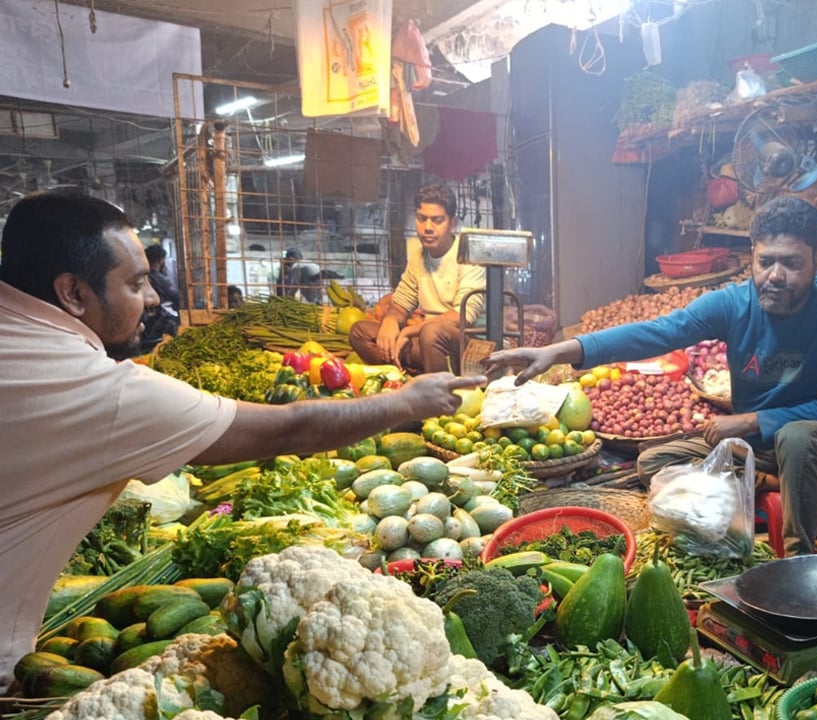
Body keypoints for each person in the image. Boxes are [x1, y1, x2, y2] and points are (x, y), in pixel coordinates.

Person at [0, 193, 486, 690]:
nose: (151, 299)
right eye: (135, 283)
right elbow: (287, 428)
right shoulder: (94, 390)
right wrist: (408, 401)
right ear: (73, 294)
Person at [484, 196, 817, 555]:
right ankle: (767, 481)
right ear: (752, 255)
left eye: (792, 263)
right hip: (755, 448)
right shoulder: (735, 303)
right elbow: (659, 331)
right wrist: (561, 350)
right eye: (765, 261)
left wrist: (753, 419)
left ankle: (796, 565)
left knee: (796, 437)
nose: (775, 276)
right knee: (655, 461)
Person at [348, 183, 485, 374]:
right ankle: (412, 374)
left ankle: (438, 394)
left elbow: (461, 318)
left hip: (469, 351)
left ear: (452, 223)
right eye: (422, 219)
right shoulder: (419, 257)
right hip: (428, 343)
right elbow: (399, 307)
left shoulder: (469, 255)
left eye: (437, 220)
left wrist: (411, 331)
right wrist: (391, 322)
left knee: (432, 333)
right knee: (360, 332)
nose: (428, 227)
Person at [140, 243, 181, 352]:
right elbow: (176, 297)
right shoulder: (160, 278)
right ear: (161, 260)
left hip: (146, 324)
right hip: (160, 321)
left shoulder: (142, 278)